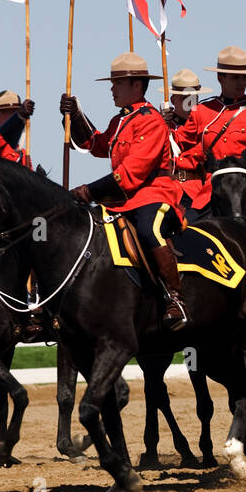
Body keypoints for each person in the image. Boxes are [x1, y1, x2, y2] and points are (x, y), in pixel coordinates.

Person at [59, 52, 189, 331]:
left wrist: (87, 191)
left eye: (117, 83)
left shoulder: (151, 120)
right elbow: (96, 145)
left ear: (137, 86)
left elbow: (129, 175)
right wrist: (73, 115)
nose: (112, 88)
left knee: (148, 231)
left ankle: (175, 298)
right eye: (113, 82)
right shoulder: (121, 121)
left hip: (154, 195)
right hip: (123, 201)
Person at [174, 47, 246, 237]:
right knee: (183, 236)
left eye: (244, 77)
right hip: (214, 191)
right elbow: (179, 142)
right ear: (221, 78)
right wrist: (161, 123)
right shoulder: (202, 110)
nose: (241, 82)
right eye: (235, 77)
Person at [0, 90, 45, 340]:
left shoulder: (22, 152)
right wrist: (19, 118)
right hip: (0, 221)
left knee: (47, 238)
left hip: (25, 219)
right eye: (9, 111)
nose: (14, 116)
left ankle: (42, 303)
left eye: (16, 111)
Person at [164, 69, 213, 213]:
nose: (190, 103)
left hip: (195, 190)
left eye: (193, 98)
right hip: (166, 189)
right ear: (173, 100)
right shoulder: (159, 125)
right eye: (185, 98)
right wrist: (159, 127)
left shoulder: (207, 127)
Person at [0, 90, 35, 167]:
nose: (12, 117)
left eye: (15, 112)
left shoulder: (23, 153)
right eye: (7, 112)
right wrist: (18, 116)